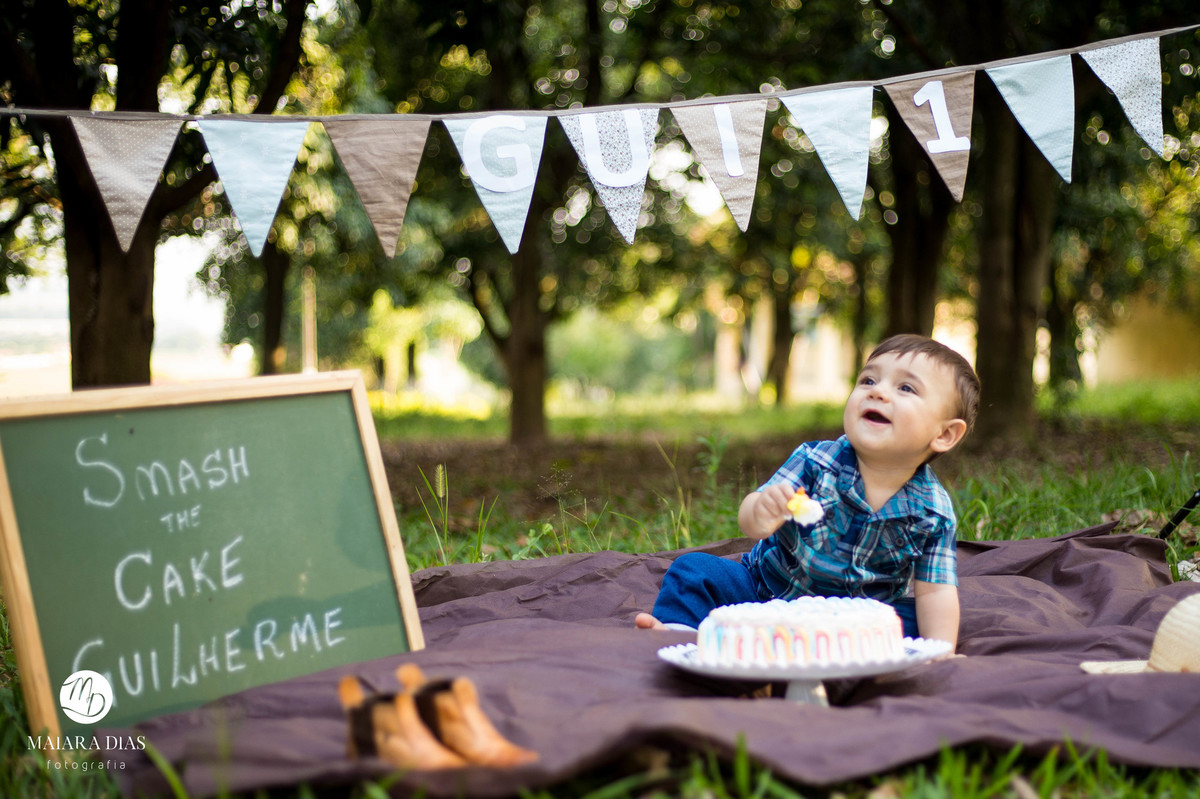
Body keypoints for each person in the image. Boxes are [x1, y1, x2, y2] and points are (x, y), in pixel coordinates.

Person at [635, 334, 980, 651]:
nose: (877, 391)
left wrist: (941, 651)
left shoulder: (932, 511)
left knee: (914, 620)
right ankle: (684, 638)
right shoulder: (815, 461)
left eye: (906, 388)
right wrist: (762, 510)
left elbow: (935, 589)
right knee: (694, 570)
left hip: (860, 618)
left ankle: (840, 654)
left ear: (945, 435)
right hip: (767, 594)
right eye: (868, 380)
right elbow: (751, 524)